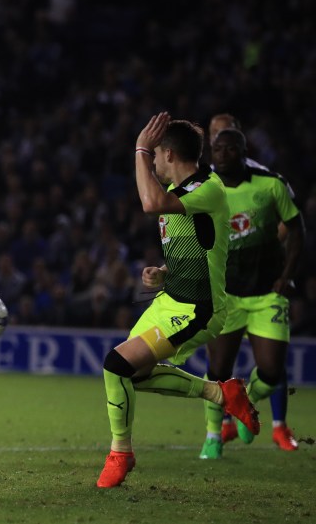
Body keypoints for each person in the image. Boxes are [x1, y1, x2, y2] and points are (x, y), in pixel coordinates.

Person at [96, 112, 259, 488]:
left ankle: (121, 453)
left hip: (198, 308)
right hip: (171, 298)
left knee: (115, 365)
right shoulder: (181, 194)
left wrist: (139, 146)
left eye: (155, 155)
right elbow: (205, 248)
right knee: (131, 375)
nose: (151, 162)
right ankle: (221, 392)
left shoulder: (208, 188)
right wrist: (162, 273)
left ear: (168, 154)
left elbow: (149, 203)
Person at [198, 126, 304, 458]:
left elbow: (298, 230)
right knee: (218, 370)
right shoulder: (205, 190)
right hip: (225, 295)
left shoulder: (271, 184)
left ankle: (248, 401)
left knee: (272, 371)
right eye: (218, 149)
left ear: (244, 153)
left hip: (266, 293)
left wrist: (287, 276)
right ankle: (213, 436)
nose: (223, 154)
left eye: (231, 149)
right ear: (211, 154)